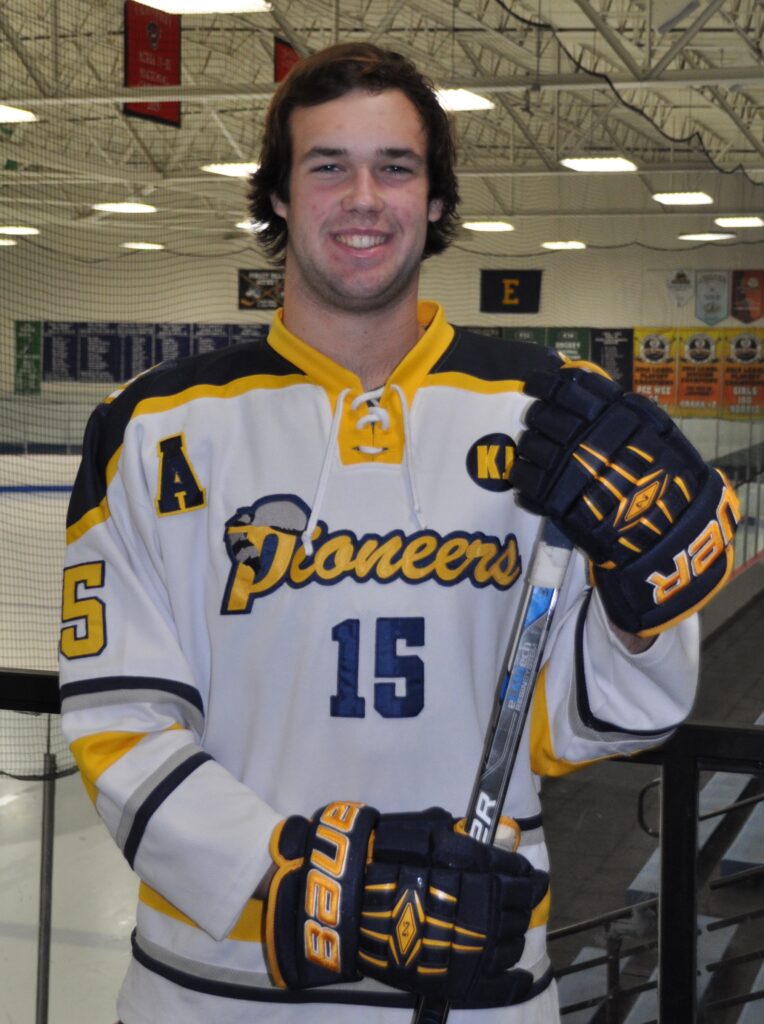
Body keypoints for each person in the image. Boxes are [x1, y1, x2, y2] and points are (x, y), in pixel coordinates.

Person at [59, 42, 739, 1024]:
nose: (363, 197)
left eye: (395, 166)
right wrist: (301, 886)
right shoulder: (148, 426)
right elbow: (119, 723)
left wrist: (639, 614)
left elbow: (600, 718)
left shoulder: (548, 412)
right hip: (212, 991)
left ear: (434, 197)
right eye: (327, 165)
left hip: (479, 987)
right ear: (279, 195)